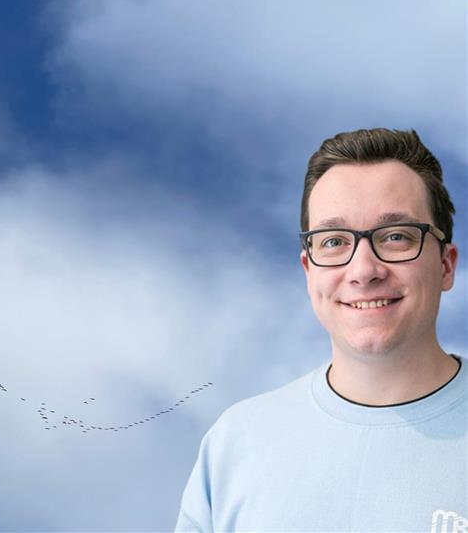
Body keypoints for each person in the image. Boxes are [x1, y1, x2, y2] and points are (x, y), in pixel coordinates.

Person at [175, 128, 467, 532]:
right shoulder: (236, 442)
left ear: (446, 265)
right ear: (308, 270)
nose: (364, 271)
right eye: (333, 241)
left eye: (396, 236)